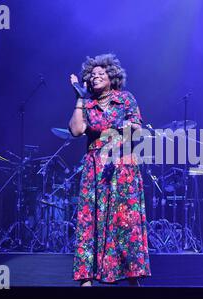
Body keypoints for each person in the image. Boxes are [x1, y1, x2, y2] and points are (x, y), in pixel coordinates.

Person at [68, 53, 151, 286]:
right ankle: (86, 280)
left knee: (125, 220)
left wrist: (124, 129)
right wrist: (79, 98)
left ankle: (132, 279)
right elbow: (76, 130)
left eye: (100, 74)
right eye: (92, 75)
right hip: (95, 166)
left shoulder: (125, 99)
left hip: (122, 164)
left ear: (111, 77)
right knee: (90, 219)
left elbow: (138, 129)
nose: (95, 77)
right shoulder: (88, 104)